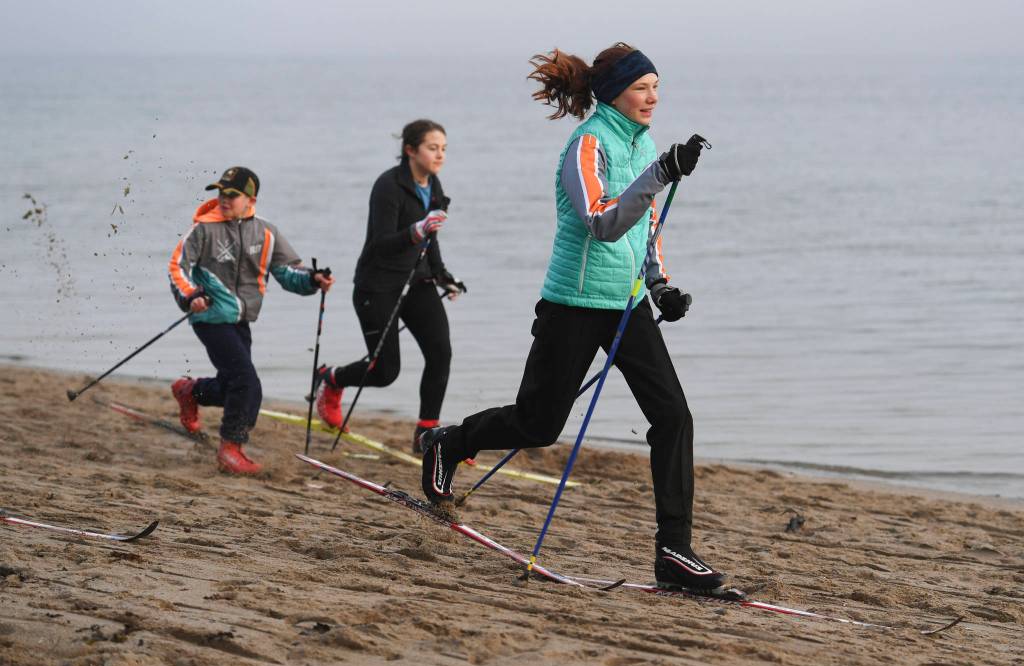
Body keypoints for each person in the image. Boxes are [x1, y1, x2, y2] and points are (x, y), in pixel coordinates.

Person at [418, 44, 724, 592]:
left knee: (674, 417)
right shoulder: (585, 145)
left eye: (657, 85)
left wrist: (660, 284)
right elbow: (602, 223)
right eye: (641, 87)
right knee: (539, 424)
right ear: (613, 93)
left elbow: (644, 226)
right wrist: (660, 173)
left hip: (627, 307)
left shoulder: (643, 144)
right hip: (573, 305)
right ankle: (451, 442)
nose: (653, 97)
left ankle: (674, 551)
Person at [168, 166, 335, 475]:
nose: (224, 199)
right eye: (221, 193)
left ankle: (189, 391)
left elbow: (288, 273)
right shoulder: (203, 229)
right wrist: (191, 296)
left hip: (241, 320)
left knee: (238, 386)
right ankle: (230, 450)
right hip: (210, 317)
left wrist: (314, 279)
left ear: (251, 199)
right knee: (247, 383)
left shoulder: (266, 232)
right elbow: (177, 267)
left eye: (232, 194)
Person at [314, 120, 466, 453]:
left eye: (444, 148)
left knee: (440, 353)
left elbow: (430, 241)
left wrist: (443, 276)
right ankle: (331, 378)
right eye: (432, 147)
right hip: (377, 285)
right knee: (385, 372)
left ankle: (426, 435)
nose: (440, 155)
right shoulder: (388, 186)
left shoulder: (434, 184)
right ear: (411, 150)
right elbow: (379, 244)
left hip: (417, 282)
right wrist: (417, 229)